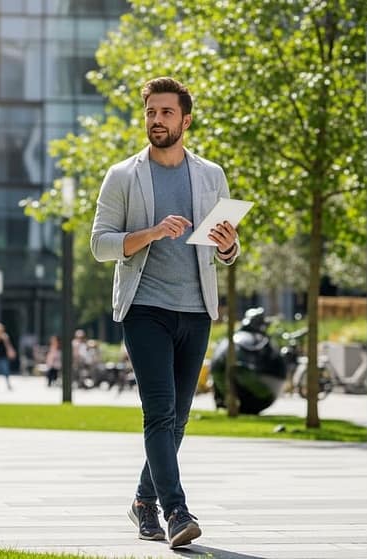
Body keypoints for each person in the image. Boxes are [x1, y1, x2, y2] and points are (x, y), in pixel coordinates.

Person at [90, 77, 240, 548]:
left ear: (185, 120)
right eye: (151, 112)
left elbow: (225, 251)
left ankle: (142, 501)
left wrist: (229, 245)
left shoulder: (211, 175)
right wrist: (152, 233)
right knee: (159, 411)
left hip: (196, 309)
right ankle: (176, 512)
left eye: (166, 112)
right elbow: (100, 245)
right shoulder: (123, 176)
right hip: (144, 308)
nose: (156, 120)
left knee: (178, 419)